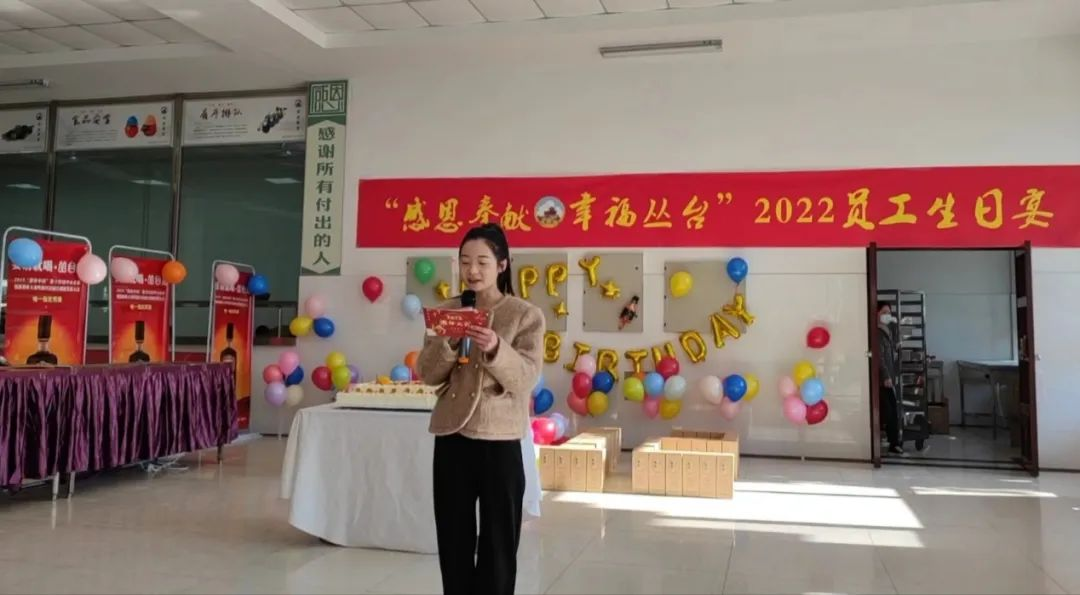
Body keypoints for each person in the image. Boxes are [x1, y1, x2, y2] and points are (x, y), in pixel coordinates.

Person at [416, 223, 545, 595]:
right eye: (465, 261)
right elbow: (428, 374)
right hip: (452, 435)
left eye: (482, 262)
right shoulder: (446, 312)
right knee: (453, 538)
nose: (472, 270)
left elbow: (526, 378)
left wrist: (495, 348)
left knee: (498, 543)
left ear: (502, 265)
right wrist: (449, 343)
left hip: (499, 439)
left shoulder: (525, 315)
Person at [877, 301, 903, 455]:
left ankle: (894, 441)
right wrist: (886, 376)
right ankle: (892, 442)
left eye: (889, 313)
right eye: (884, 312)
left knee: (892, 409)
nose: (887, 315)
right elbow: (879, 358)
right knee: (889, 411)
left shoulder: (888, 331)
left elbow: (893, 353)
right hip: (882, 380)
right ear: (876, 314)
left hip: (889, 378)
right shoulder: (877, 334)